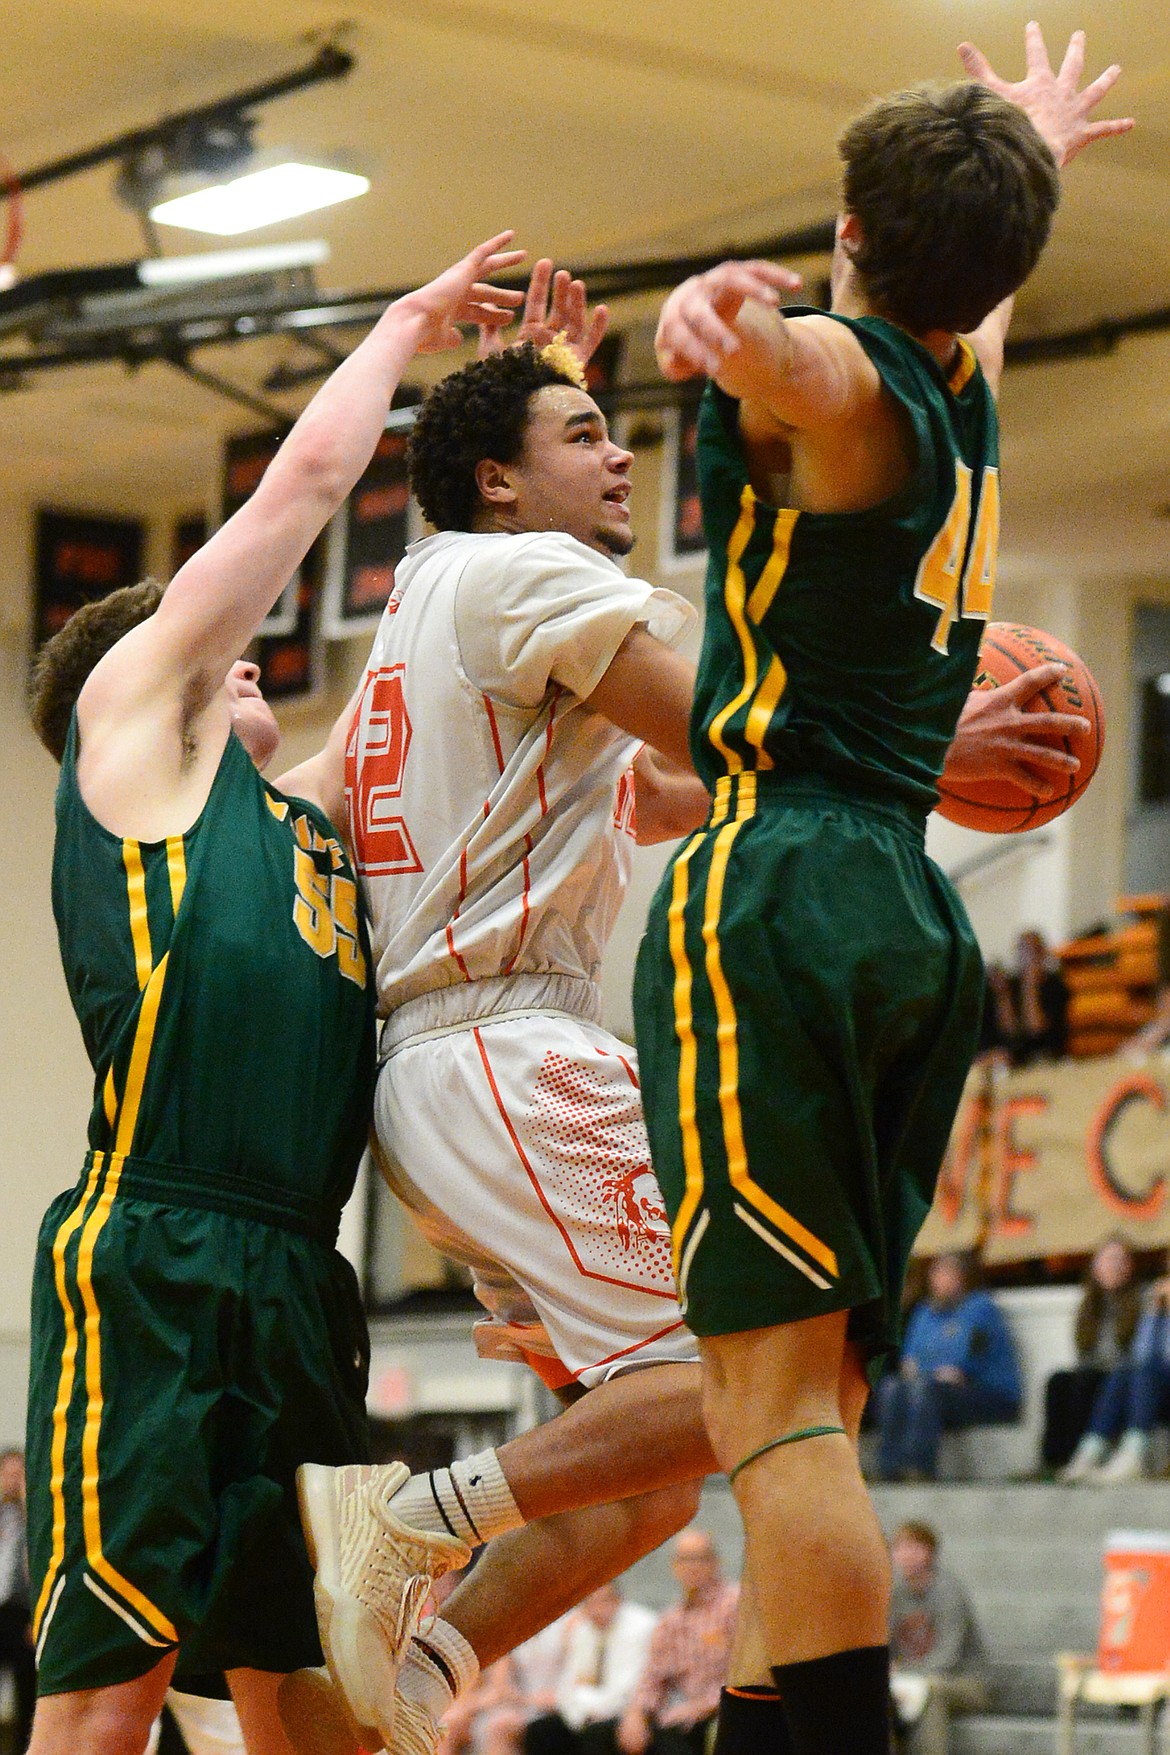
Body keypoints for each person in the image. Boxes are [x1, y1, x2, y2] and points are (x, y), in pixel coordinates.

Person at [276, 247, 1093, 1755]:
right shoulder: (522, 574)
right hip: (503, 1045)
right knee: (745, 1392)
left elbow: (655, 785)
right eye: (582, 436)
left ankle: (408, 1670)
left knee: (651, 1466)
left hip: (476, 1059)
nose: (617, 460)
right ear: (495, 484)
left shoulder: (445, 600)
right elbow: (733, 724)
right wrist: (929, 736)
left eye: (619, 436)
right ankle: (404, 1512)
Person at [629, 26, 1129, 1755]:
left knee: (764, 1411)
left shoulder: (843, 372)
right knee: (818, 1396)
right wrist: (1030, 148)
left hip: (778, 887)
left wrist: (728, 322)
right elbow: (961, 312)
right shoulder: (959, 378)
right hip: (905, 906)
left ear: (848, 225)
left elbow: (803, 372)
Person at [22, 233, 527, 1755]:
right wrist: (399, 333)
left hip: (304, 1278)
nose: (237, 646)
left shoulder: (301, 823)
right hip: (158, 1259)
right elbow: (304, 493)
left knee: (318, 1700)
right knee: (109, 1695)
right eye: (207, 635)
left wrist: (521, 425)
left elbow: (445, 669)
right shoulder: (130, 753)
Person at [874, 1254, 1021, 1481]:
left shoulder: (980, 1307)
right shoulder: (924, 1312)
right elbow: (910, 1361)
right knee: (890, 1386)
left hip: (990, 1394)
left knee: (923, 1389)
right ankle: (888, 1469)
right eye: (935, 1273)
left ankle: (918, 1468)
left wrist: (929, 1371)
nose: (937, 1279)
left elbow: (963, 1365)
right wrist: (928, 1371)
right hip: (939, 1388)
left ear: (963, 1278)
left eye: (945, 1273)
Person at [616, 1530, 737, 1755]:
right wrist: (636, 1713)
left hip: (728, 1710)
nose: (692, 1566)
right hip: (684, 1715)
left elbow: (743, 1674)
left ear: (715, 1562)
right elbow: (654, 1676)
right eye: (684, 1559)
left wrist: (699, 1707)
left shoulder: (736, 1605)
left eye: (699, 1558)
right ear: (674, 1566)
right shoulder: (671, 1619)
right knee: (611, 1733)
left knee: (673, 1736)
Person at [1062, 1248, 1170, 1483]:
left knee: (1144, 1372)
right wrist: (1155, 1312)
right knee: (1126, 1370)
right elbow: (1142, 1351)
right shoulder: (1159, 1302)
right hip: (1158, 1382)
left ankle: (1133, 1455)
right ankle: (1090, 1452)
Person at [1041, 1236, 1141, 1472]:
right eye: (1108, 1260)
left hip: (1121, 1371)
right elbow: (1083, 1347)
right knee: (1058, 1381)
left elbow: (1130, 1349)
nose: (1114, 1267)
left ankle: (1081, 1455)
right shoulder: (1089, 1303)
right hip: (1092, 1367)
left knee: (1086, 1382)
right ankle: (1054, 1459)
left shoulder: (1138, 1301)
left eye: (1120, 1261)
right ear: (1096, 1267)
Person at [888, 1523, 988, 1755]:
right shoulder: (896, 1595)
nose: (905, 1554)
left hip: (964, 1680)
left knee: (931, 1691)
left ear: (929, 1552)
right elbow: (889, 1647)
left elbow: (947, 1656)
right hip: (910, 1678)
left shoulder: (949, 1593)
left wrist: (905, 1671)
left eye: (913, 1547)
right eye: (900, 1547)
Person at [523, 1585, 656, 1755]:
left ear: (619, 1600)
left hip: (628, 1710)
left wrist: (586, 1707)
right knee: (541, 1730)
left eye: (604, 1601)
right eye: (590, 1603)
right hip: (586, 1711)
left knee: (596, 1734)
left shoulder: (641, 1627)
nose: (598, 1610)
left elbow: (629, 1687)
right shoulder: (583, 1630)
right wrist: (579, 1709)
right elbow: (571, 1682)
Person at [0, 1450, 34, 1754]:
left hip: (21, 1614)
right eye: (7, 1473)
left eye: (18, 1474)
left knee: (27, 1695)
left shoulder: (36, 1520)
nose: (12, 1480)